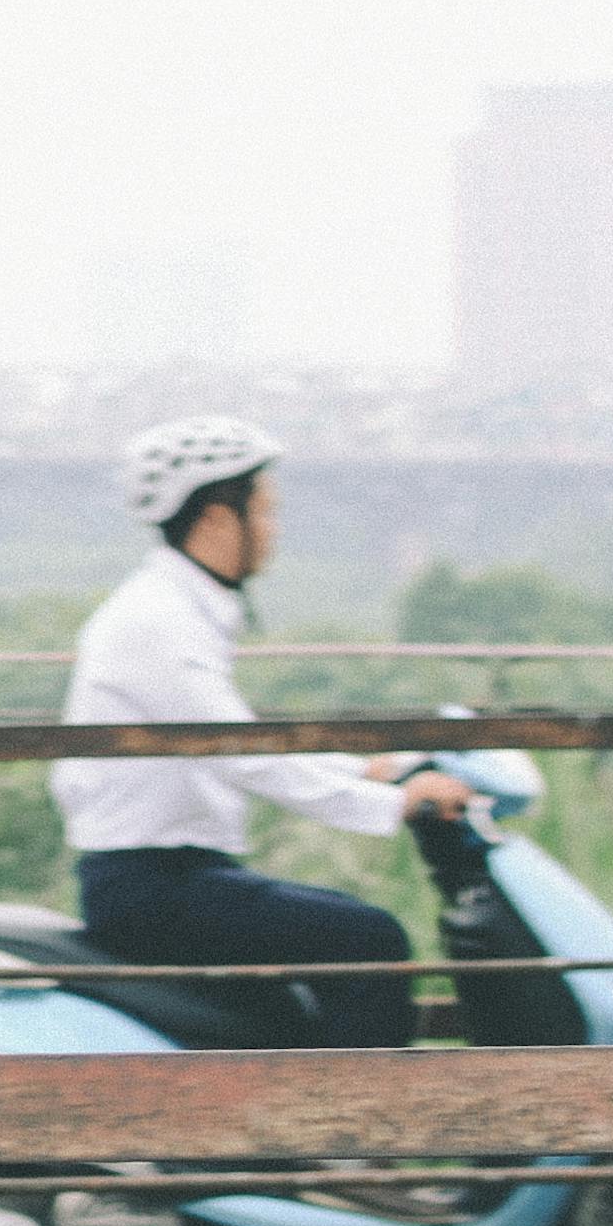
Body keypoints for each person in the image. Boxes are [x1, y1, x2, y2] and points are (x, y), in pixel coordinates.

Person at [51, 416, 474, 1046]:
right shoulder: (156, 622)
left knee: (314, 975)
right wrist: (390, 800)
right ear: (219, 520)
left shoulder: (183, 611)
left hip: (178, 875)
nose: (273, 532)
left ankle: (315, 1131)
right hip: (150, 885)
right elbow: (239, 753)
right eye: (267, 513)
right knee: (370, 940)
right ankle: (352, 1139)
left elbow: (238, 737)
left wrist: (365, 770)